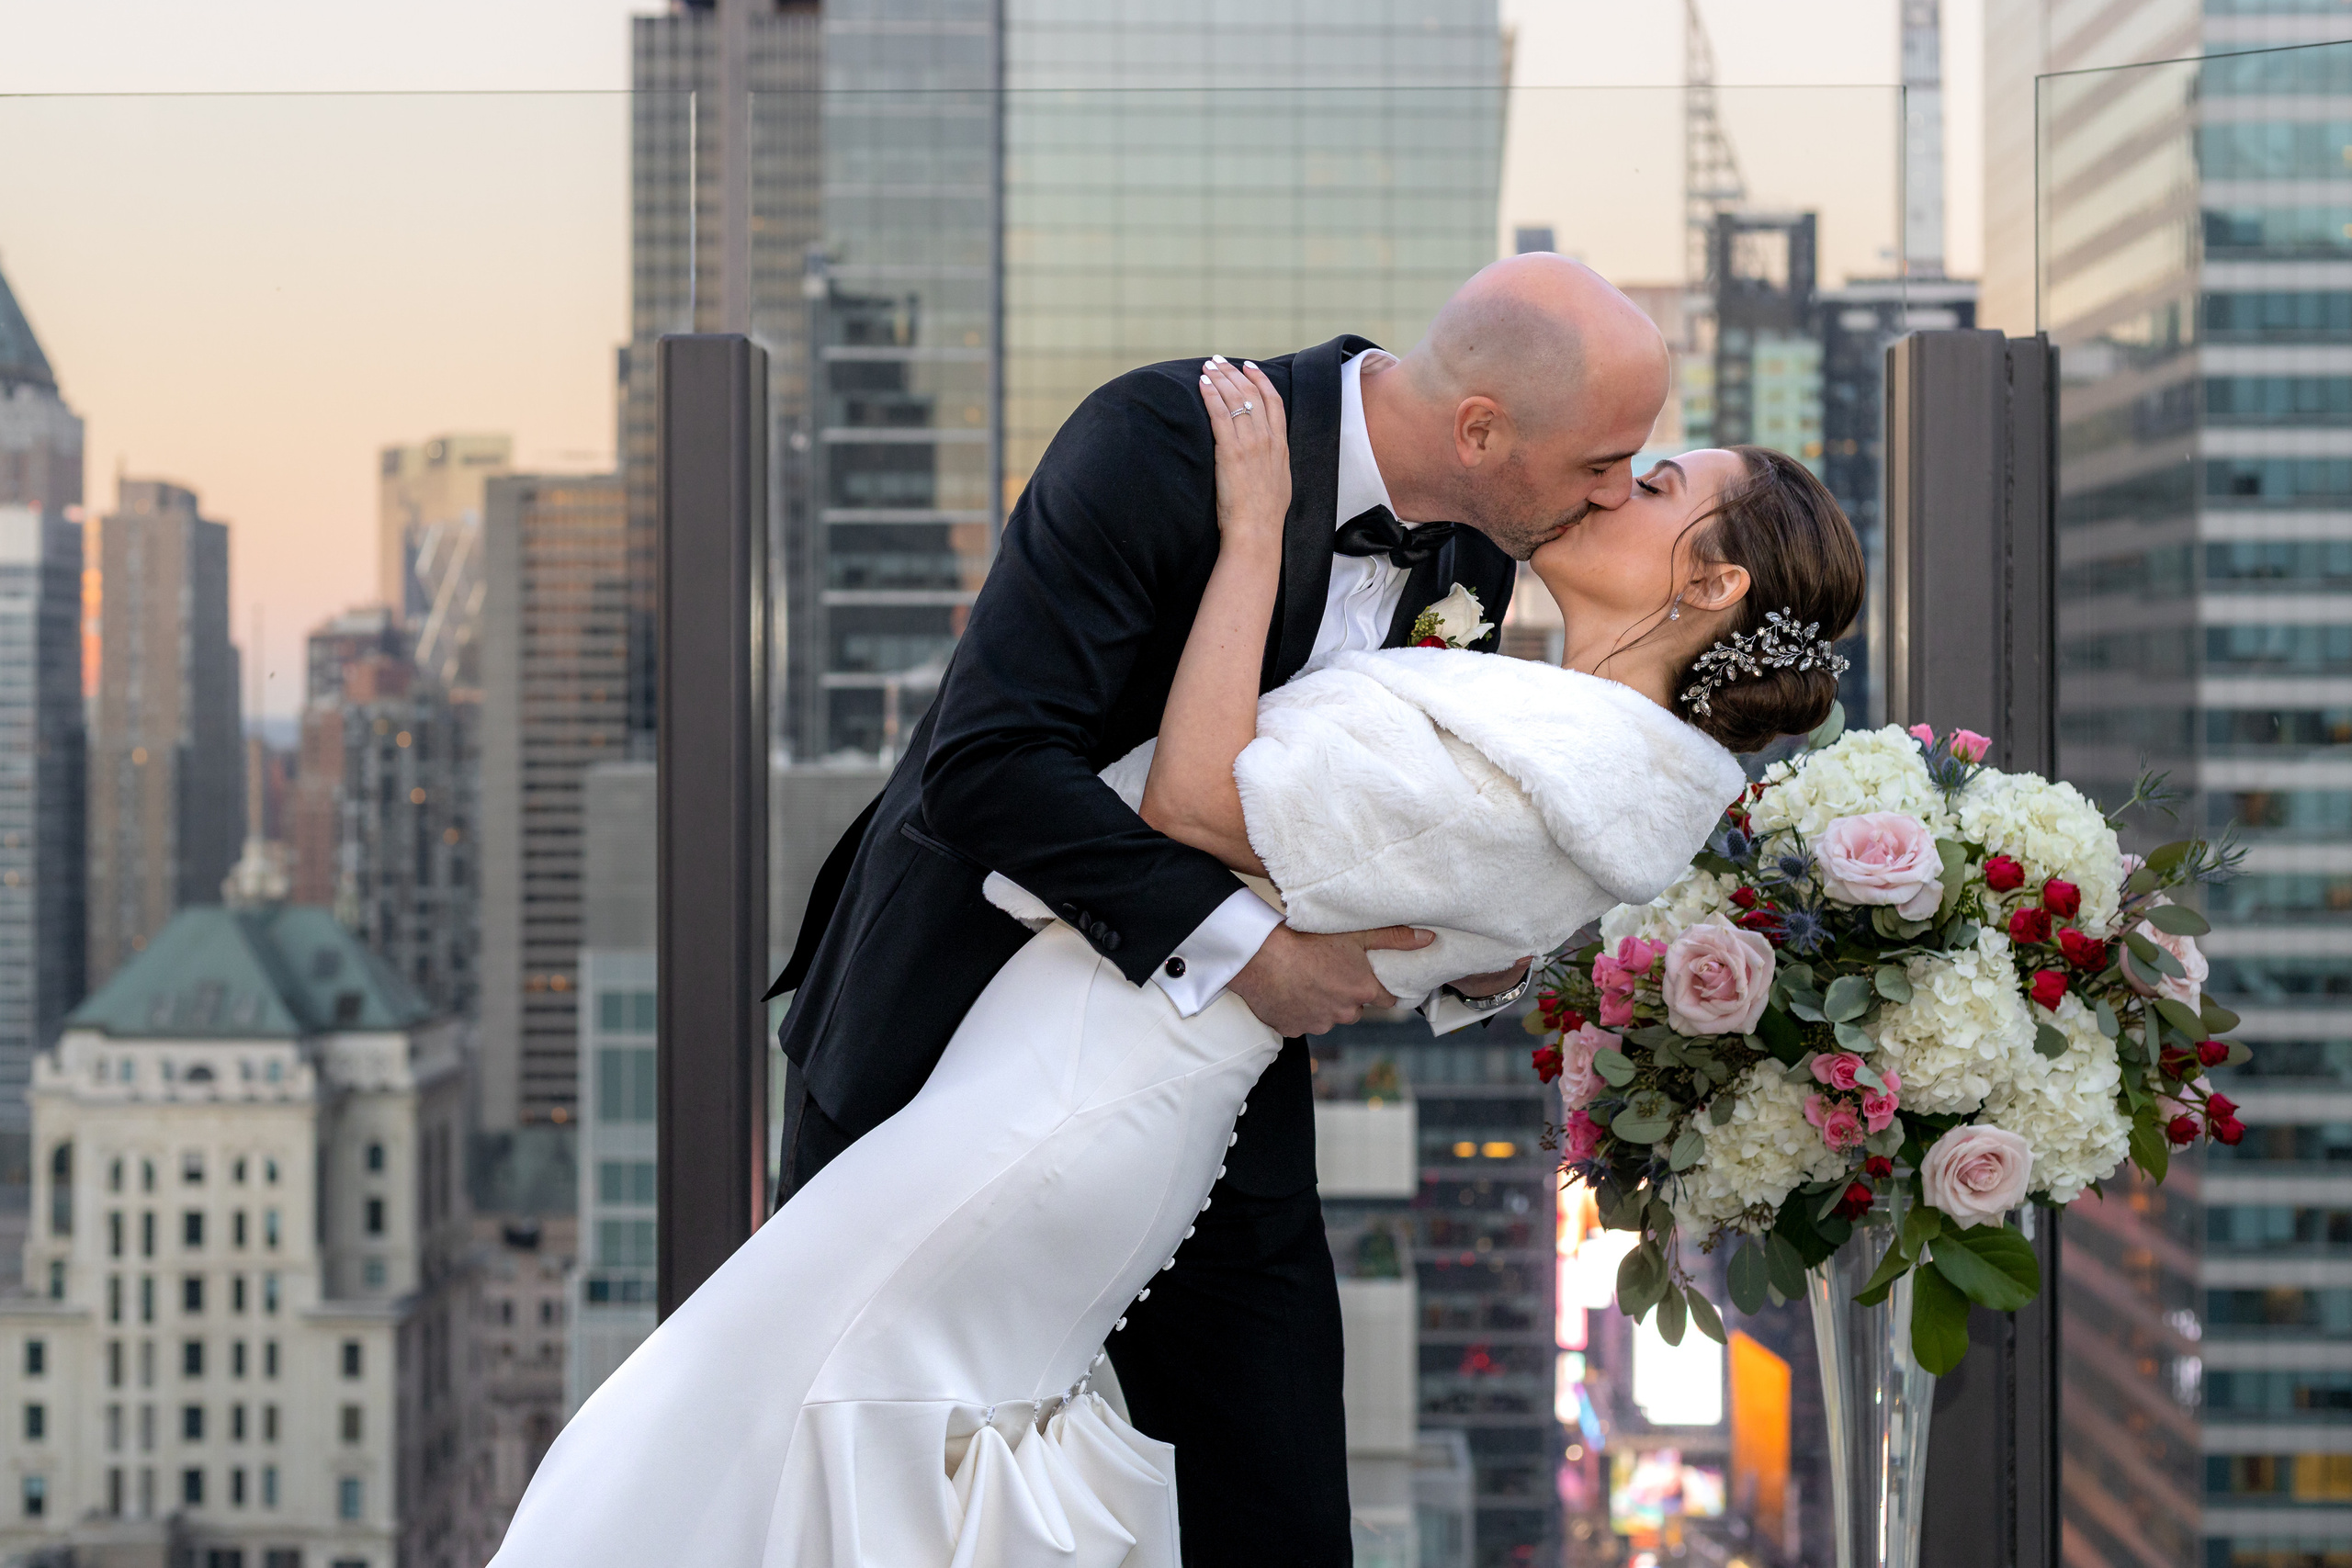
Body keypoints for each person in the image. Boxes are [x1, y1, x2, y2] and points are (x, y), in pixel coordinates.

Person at [488, 339, 1869, 1565]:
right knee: (817, 1396)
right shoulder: (1161, 441)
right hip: (956, 1015)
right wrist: (1269, 944)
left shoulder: (1481, 554)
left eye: (1644, 476)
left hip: (1174, 1087)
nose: (1610, 492)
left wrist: (1473, 952)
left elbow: (1445, 834)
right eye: (1613, 463)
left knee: (1244, 1493)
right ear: (1485, 430)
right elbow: (986, 768)